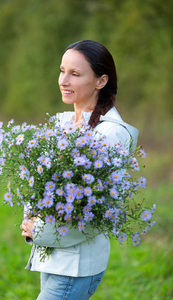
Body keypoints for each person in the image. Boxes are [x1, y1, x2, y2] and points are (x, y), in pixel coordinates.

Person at [20, 40, 139, 300]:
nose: (64, 80)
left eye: (75, 74)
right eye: (62, 71)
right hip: (53, 255)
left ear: (101, 81)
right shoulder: (61, 123)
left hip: (77, 264)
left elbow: (99, 211)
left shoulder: (110, 133)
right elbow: (44, 188)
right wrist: (32, 220)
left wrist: (40, 231)